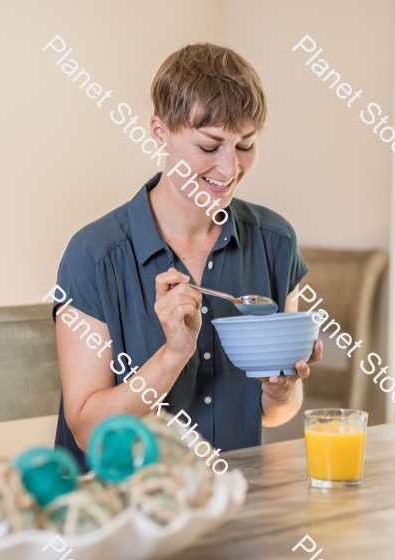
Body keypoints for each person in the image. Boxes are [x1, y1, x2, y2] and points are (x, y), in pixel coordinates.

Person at [52, 42, 322, 469]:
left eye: (246, 145)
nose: (230, 169)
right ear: (160, 132)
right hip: (121, 515)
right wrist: (173, 355)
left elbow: (275, 413)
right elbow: (88, 430)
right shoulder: (94, 256)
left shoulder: (275, 242)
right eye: (210, 147)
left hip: (231, 509)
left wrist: (281, 389)